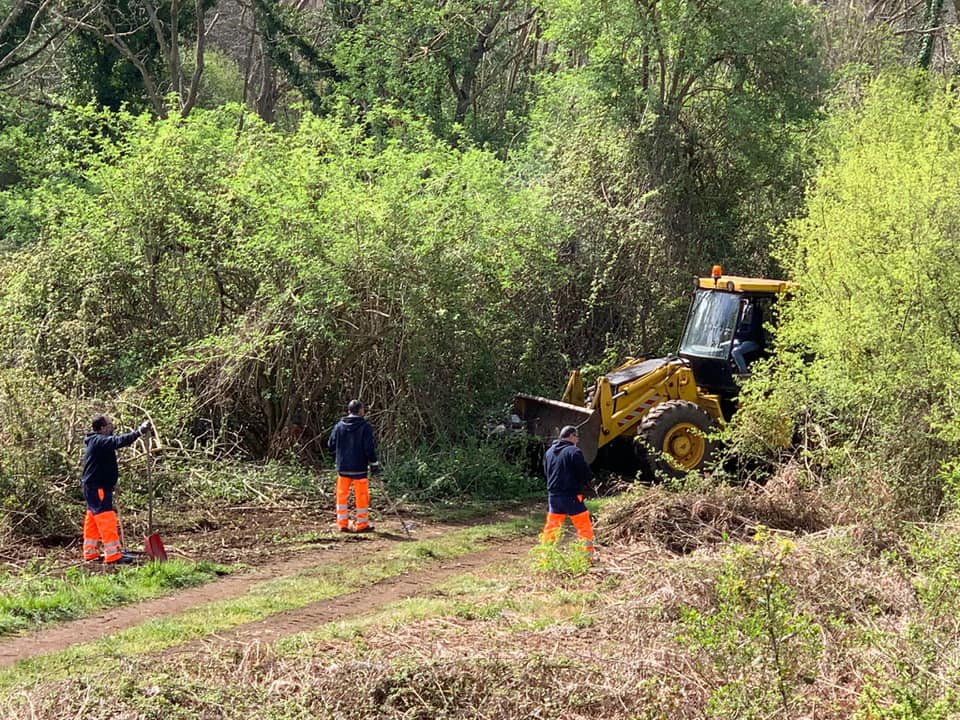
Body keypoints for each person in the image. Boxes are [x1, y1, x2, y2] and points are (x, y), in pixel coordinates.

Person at [81, 414, 151, 564]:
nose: (112, 426)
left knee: (92, 519)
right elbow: (117, 441)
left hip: (93, 486)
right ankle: (113, 556)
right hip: (98, 487)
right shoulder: (99, 441)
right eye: (109, 424)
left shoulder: (95, 441)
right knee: (106, 519)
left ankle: (90, 553)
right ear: (102, 428)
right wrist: (138, 432)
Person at [540, 425, 596, 561]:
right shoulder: (573, 451)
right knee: (584, 525)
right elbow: (584, 473)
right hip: (571, 496)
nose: (577, 440)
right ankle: (586, 557)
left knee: (552, 527)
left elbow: (546, 472)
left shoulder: (549, 452)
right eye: (577, 437)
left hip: (553, 496)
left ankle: (545, 555)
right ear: (571, 436)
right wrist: (590, 482)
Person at [328, 399, 379, 533]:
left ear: (349, 410)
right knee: (361, 496)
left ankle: (342, 523)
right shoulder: (365, 427)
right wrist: (374, 463)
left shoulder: (339, 426)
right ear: (360, 410)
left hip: (343, 467)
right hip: (359, 468)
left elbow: (331, 445)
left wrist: (339, 455)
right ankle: (361, 525)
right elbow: (369, 448)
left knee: (341, 495)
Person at [731, 300, 764, 375]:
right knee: (725, 346)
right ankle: (730, 368)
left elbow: (751, 333)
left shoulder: (754, 316)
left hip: (753, 341)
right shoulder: (741, 315)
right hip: (742, 340)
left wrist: (735, 334)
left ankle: (744, 373)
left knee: (736, 351)